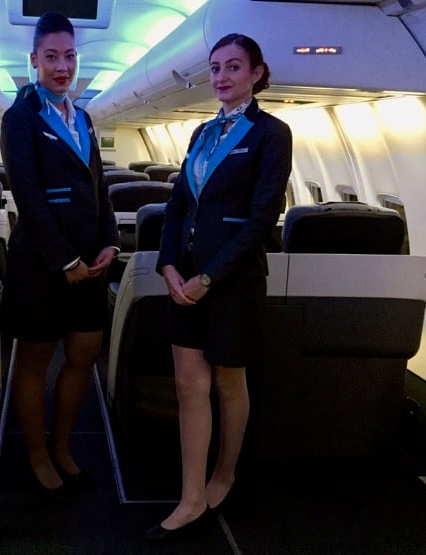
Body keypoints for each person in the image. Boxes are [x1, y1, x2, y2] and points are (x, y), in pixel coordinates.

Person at [144, 34, 292, 541]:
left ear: (256, 73)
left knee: (229, 381)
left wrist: (210, 278)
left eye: (233, 66)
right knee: (189, 387)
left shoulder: (271, 133)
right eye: (215, 68)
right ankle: (190, 498)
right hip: (186, 278)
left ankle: (224, 474)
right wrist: (168, 265)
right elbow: (178, 206)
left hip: (232, 282)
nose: (222, 76)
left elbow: (261, 219)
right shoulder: (202, 133)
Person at [0, 12, 119, 501]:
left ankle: (62, 444)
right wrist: (66, 260)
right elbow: (28, 195)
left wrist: (111, 240)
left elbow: (99, 186)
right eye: (51, 56)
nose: (62, 66)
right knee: (34, 362)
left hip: (91, 262)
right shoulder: (20, 118)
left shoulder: (83, 117)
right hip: (41, 264)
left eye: (69, 56)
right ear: (34, 60)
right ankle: (36, 453)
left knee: (84, 354)